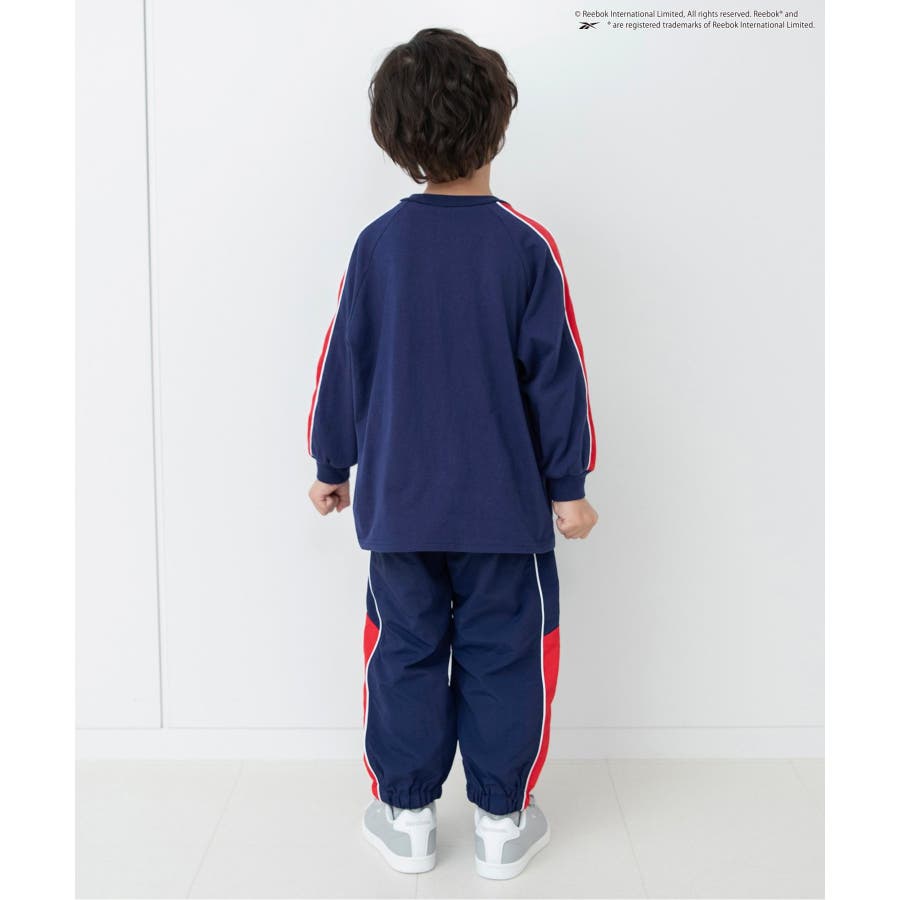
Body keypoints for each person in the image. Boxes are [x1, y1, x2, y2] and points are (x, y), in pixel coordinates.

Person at [306, 27, 599, 881]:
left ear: (395, 140)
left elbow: (343, 364)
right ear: (498, 123)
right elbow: (559, 376)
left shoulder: (378, 246)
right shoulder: (525, 246)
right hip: (505, 512)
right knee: (506, 654)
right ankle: (503, 820)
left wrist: (331, 465)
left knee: (403, 649)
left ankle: (406, 817)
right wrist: (568, 487)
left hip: (400, 508)